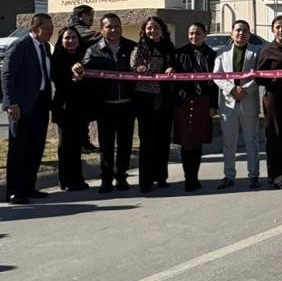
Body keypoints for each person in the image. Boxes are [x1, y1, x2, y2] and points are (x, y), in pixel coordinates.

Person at [75, 13, 137, 193]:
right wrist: (79, 71)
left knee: (125, 144)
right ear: (102, 29)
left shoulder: (132, 47)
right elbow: (84, 73)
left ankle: (121, 177)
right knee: (106, 145)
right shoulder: (93, 50)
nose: (113, 30)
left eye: (117, 26)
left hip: (127, 105)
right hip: (105, 106)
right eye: (109, 27)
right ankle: (106, 179)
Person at [0, 12, 55, 204]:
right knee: (19, 149)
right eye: (46, 28)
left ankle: (29, 187)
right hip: (22, 106)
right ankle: (15, 191)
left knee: (36, 147)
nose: (50, 32)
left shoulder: (45, 47)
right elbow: (7, 75)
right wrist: (11, 103)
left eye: (51, 28)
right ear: (35, 28)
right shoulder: (20, 46)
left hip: (41, 103)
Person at [131, 15, 177, 192]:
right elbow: (133, 67)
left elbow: (175, 66)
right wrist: (140, 69)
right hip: (145, 99)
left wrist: (171, 68)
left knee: (163, 140)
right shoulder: (139, 48)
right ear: (144, 30)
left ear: (162, 30)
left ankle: (161, 177)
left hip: (165, 99)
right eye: (149, 28)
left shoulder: (169, 48)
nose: (153, 31)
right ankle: (146, 180)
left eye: (156, 27)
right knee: (147, 141)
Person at [214, 20, 262, 189]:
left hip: (249, 101)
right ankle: (229, 175)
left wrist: (246, 89)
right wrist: (232, 89)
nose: (241, 33)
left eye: (245, 31)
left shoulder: (257, 52)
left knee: (251, 141)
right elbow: (217, 75)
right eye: (238, 30)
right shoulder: (222, 52)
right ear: (231, 33)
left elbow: (260, 75)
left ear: (249, 34)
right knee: (229, 142)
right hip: (228, 103)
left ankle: (254, 175)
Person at [174, 22, 216, 192]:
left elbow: (215, 83)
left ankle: (195, 177)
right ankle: (188, 178)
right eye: (191, 33)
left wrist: (213, 105)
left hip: (203, 101)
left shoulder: (212, 54)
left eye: (198, 33)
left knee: (197, 142)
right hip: (184, 102)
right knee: (186, 142)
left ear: (204, 35)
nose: (194, 36)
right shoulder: (179, 53)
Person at [49, 25, 90, 191]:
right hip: (65, 107)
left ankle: (77, 178)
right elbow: (56, 78)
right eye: (67, 38)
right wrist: (72, 78)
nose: (70, 41)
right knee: (66, 145)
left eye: (73, 38)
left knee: (78, 144)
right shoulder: (57, 57)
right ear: (61, 41)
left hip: (82, 107)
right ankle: (66, 179)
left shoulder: (85, 56)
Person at [258, 15, 282, 189]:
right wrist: (276, 78)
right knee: (275, 137)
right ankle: (276, 176)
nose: (281, 30)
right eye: (278, 27)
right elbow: (259, 77)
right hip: (274, 99)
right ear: (273, 30)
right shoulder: (267, 51)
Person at [67, 4, 101, 151]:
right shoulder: (78, 30)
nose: (92, 18)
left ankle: (83, 142)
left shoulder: (78, 28)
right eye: (89, 15)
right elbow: (98, 37)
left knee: (83, 114)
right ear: (80, 16)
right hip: (77, 79)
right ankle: (82, 143)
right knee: (81, 114)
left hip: (80, 77)